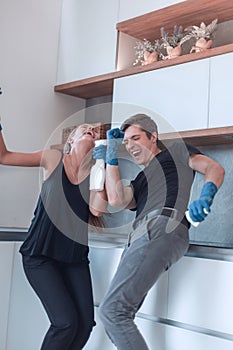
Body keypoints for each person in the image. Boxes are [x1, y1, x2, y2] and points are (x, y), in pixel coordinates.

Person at [94, 113, 225, 350]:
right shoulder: (140, 179)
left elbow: (213, 168)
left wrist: (206, 195)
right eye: (126, 142)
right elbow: (116, 198)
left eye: (135, 138)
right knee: (119, 314)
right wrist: (111, 157)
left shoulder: (176, 153)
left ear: (152, 137)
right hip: (140, 236)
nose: (130, 145)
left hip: (161, 226)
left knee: (113, 311)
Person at [0, 120, 107, 350]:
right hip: (41, 256)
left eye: (93, 131)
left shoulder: (96, 173)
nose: (90, 129)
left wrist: (103, 163)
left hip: (74, 259)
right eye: (84, 128)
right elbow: (4, 156)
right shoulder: (53, 158)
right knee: (66, 323)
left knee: (85, 324)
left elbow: (97, 209)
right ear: (71, 140)